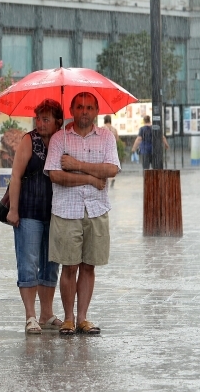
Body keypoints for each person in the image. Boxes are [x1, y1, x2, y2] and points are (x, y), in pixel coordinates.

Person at [45, 92, 119, 336]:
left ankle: (83, 318)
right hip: (67, 210)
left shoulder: (106, 137)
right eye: (79, 107)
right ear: (72, 110)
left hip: (97, 209)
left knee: (89, 266)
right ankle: (68, 318)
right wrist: (89, 178)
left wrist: (77, 165)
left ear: (96, 111)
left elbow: (111, 169)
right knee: (69, 266)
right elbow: (55, 175)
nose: (84, 111)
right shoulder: (59, 139)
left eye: (89, 107)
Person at [6, 99, 65, 334]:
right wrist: (13, 210)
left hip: (57, 212)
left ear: (58, 122)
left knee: (51, 264)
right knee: (29, 263)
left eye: (46, 119)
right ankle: (30, 316)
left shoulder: (63, 141)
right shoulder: (29, 140)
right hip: (29, 211)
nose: (40, 123)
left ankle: (47, 314)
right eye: (38, 118)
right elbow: (16, 176)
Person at [102, 115, 119, 188]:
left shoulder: (102, 128)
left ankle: (106, 180)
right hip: (112, 149)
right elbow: (117, 139)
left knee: (105, 165)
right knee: (111, 165)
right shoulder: (114, 129)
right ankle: (112, 179)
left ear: (104, 120)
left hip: (103, 149)